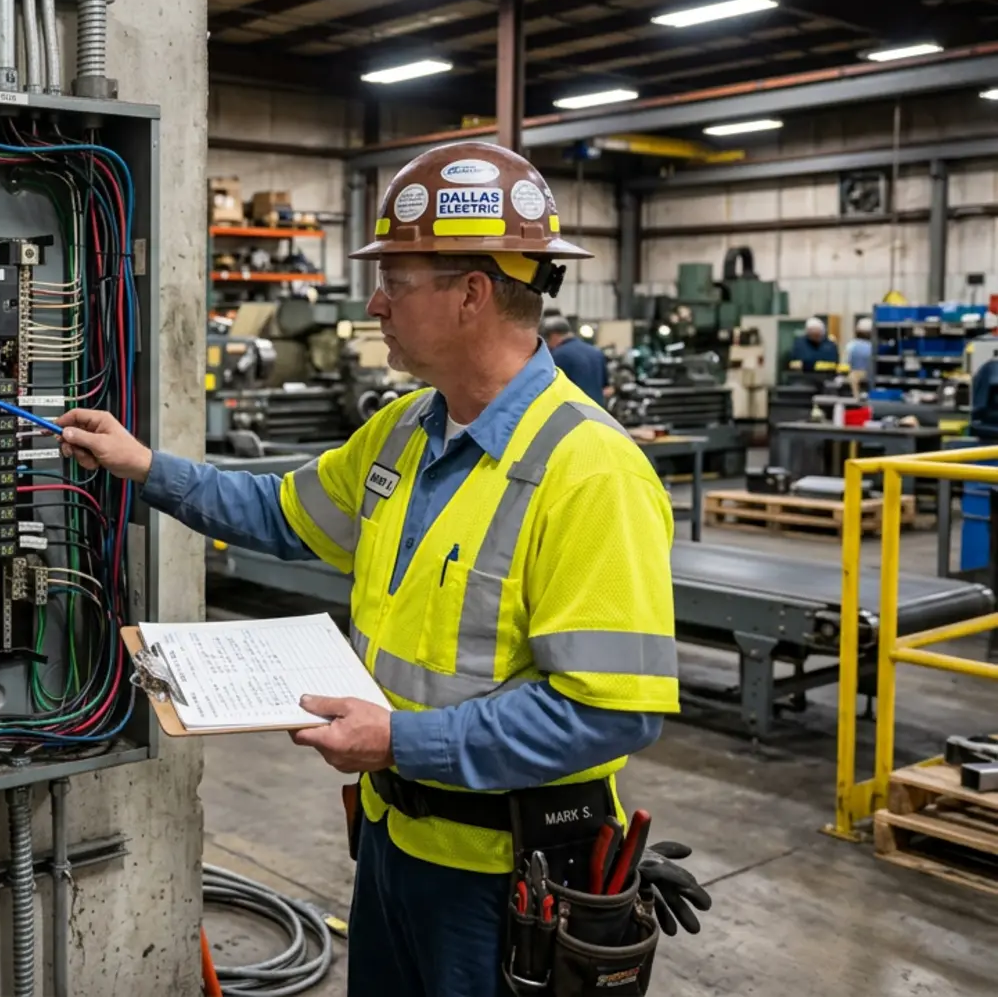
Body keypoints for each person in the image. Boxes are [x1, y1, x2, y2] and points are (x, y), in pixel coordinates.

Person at [57, 141, 707, 995]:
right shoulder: (405, 432)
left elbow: (609, 715)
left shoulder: (592, 472)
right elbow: (280, 512)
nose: (374, 303)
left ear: (472, 292)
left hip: (508, 880)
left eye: (395, 281)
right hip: (394, 847)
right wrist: (145, 467)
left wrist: (399, 738)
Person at [541, 314, 609, 404]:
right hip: (597, 412)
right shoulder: (596, 352)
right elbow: (605, 387)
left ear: (554, 335)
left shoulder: (558, 355)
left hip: (573, 413)